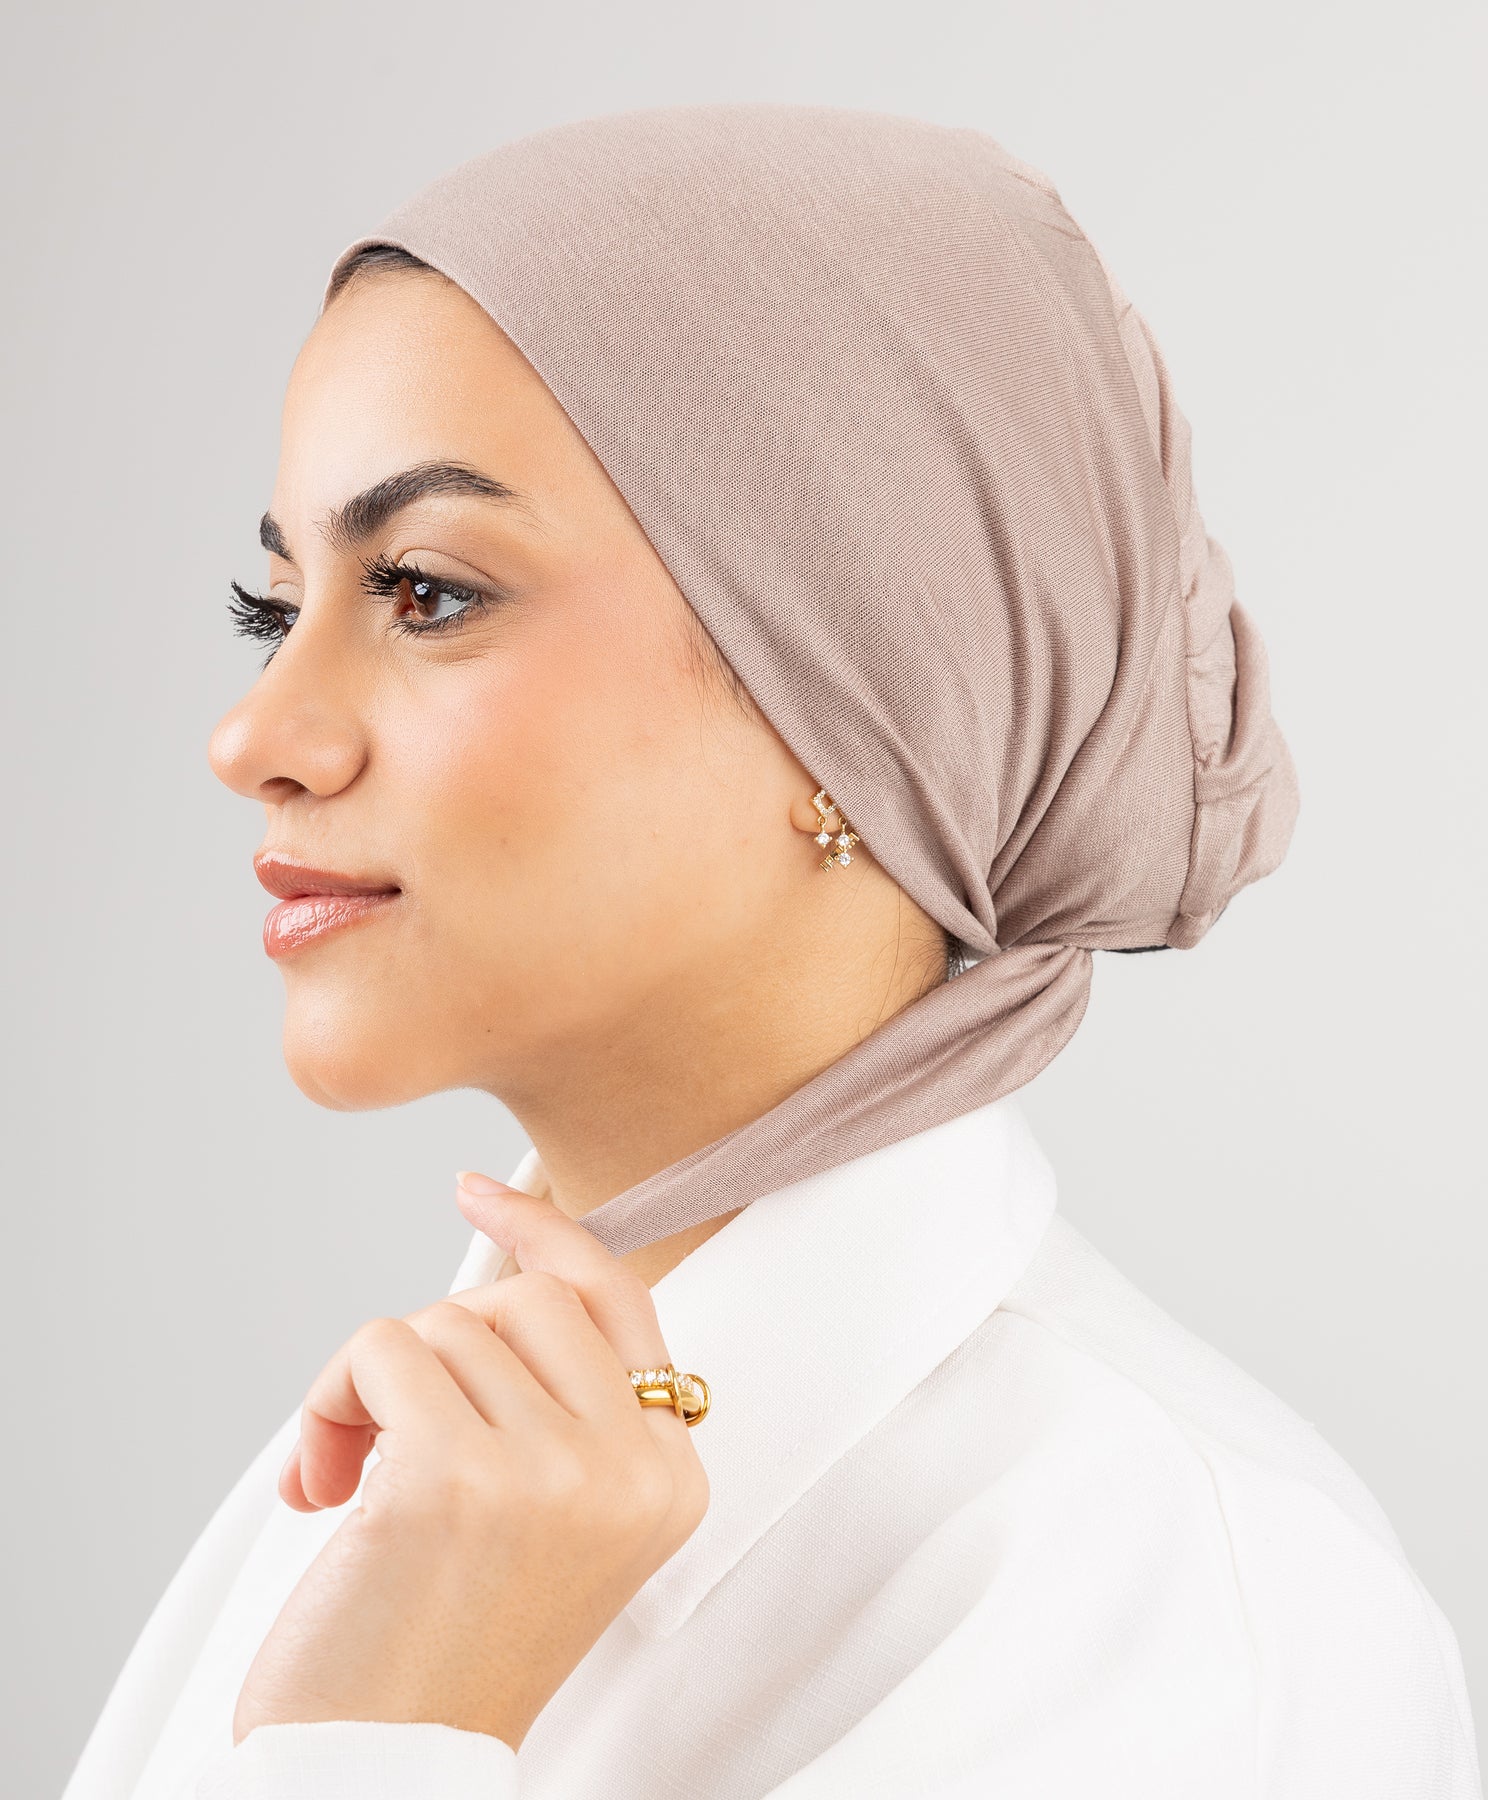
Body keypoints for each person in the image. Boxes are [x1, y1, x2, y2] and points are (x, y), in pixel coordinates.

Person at [62, 103, 1480, 1799]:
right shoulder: (394, 1482)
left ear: (866, 701)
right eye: (275, 609)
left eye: (426, 591)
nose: (252, 737)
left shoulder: (1185, 1624)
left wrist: (382, 1734)